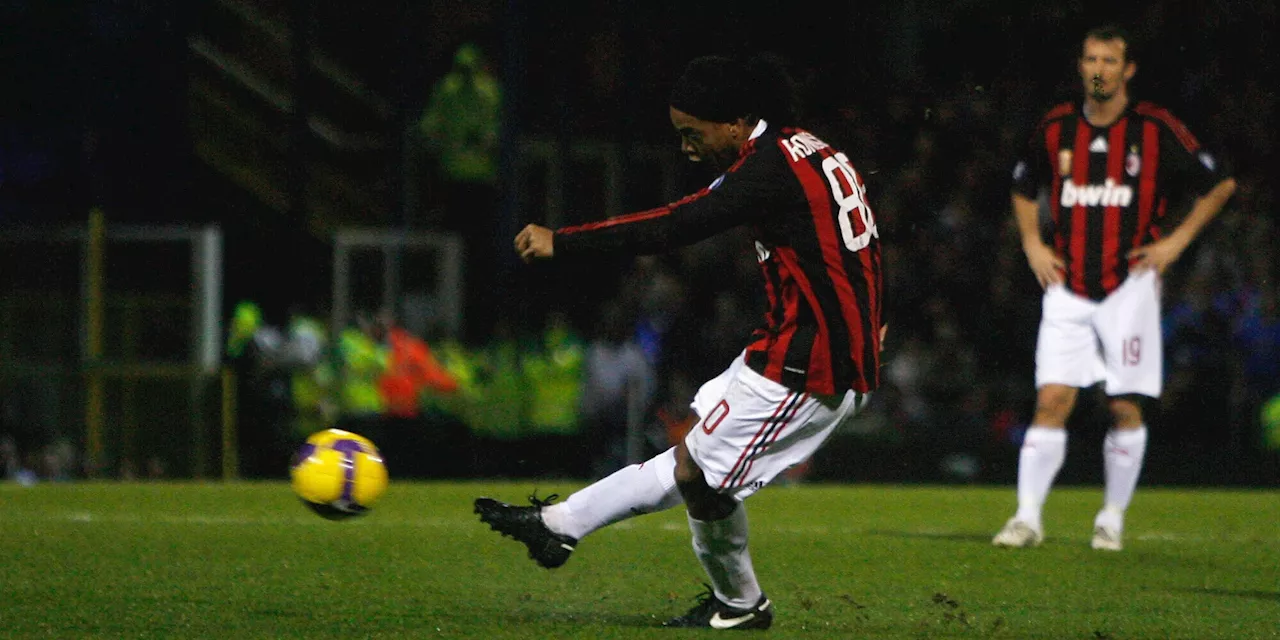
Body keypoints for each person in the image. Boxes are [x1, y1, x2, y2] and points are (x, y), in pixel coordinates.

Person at [473, 53, 886, 630]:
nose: (686, 148)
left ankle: (581, 535)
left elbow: (674, 225)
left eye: (693, 134)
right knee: (696, 470)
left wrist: (562, 242)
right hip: (792, 346)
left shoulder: (769, 170)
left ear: (736, 123)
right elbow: (855, 245)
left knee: (696, 472)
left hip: (810, 365)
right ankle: (574, 532)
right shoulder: (807, 149)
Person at [993, 25, 1236, 551]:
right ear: (1080, 66)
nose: (1098, 69)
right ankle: (1027, 517)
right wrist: (1033, 244)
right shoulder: (1056, 127)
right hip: (1068, 284)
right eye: (1090, 59)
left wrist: (1175, 244)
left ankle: (1111, 517)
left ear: (1128, 71)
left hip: (1129, 288)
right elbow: (1021, 183)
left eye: (1109, 60)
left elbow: (1219, 183)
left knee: (1124, 406)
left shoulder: (1154, 128)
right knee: (1052, 400)